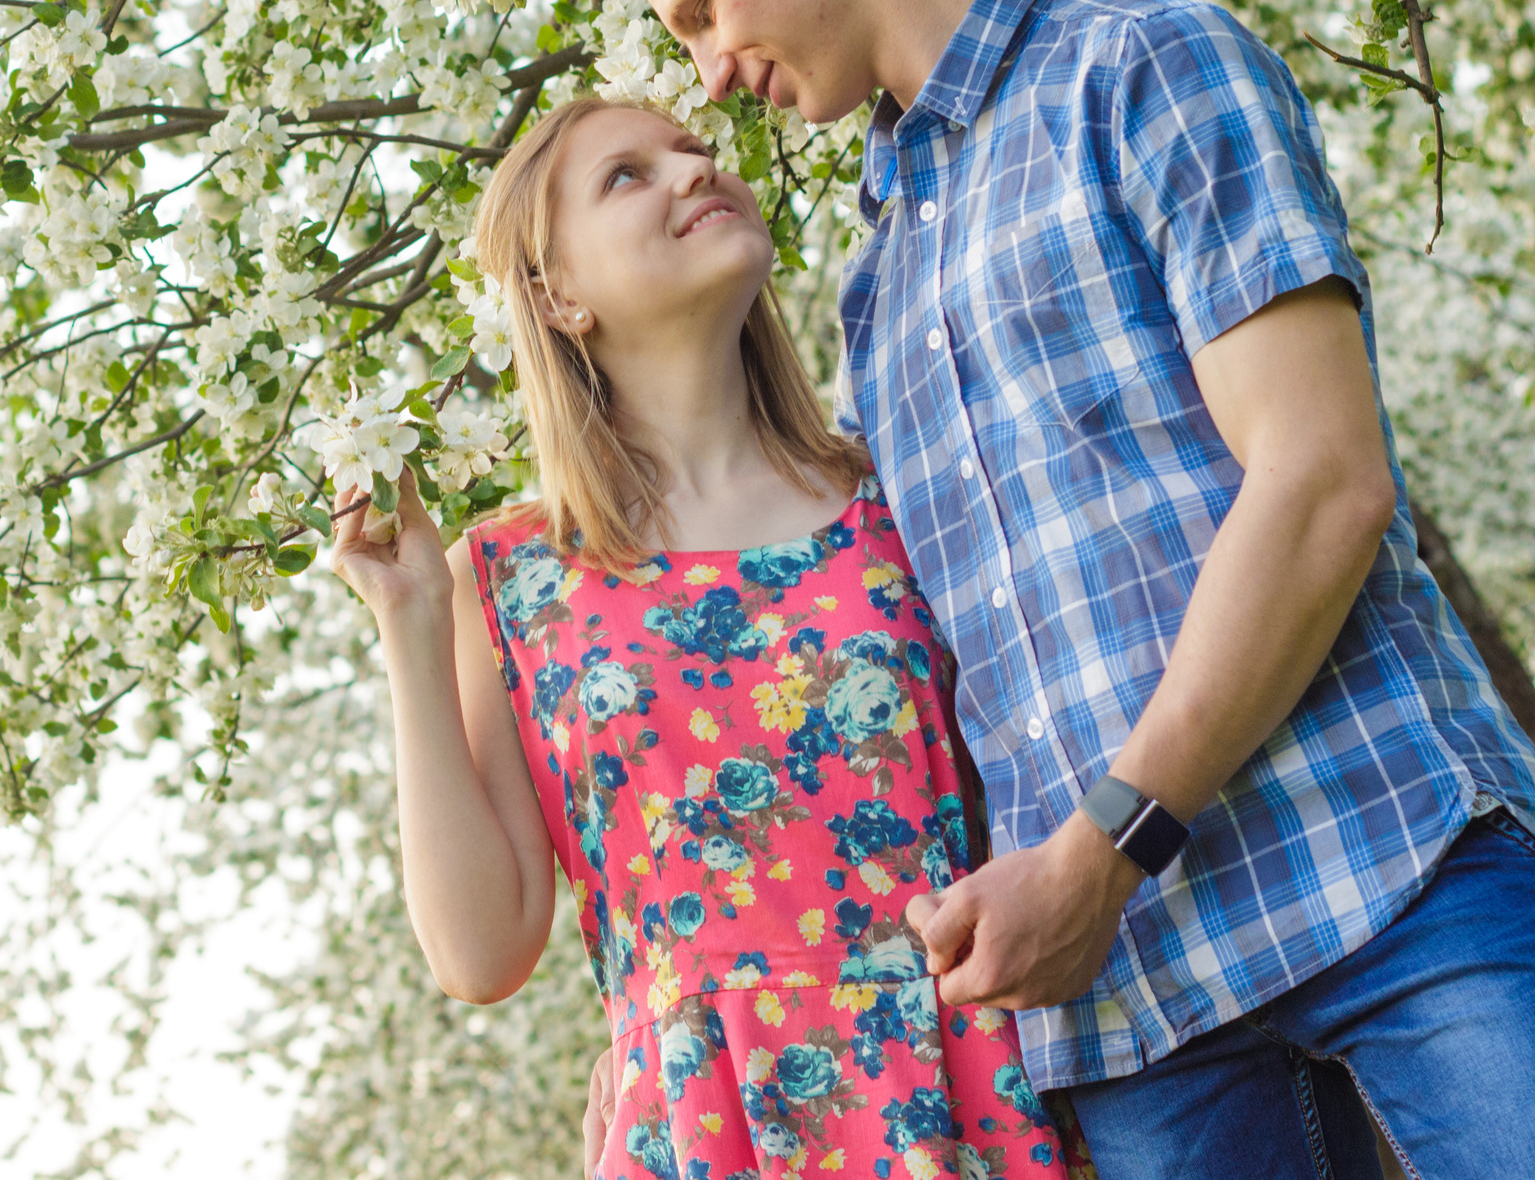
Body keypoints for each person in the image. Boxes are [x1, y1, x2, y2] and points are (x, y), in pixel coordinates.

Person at [587, 0, 1535, 1179]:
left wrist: (1106, 846)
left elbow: (1322, 476)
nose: (712, 73)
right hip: (1139, 1017)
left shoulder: (1146, 70)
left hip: (1388, 859)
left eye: (700, 10)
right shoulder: (875, 292)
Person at [329, 96, 1092, 1178]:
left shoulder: (898, 495)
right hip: (702, 1122)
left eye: (693, 150)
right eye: (627, 176)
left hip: (962, 1088)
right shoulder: (508, 578)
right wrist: (408, 623)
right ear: (556, 296)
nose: (693, 170)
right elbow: (479, 949)